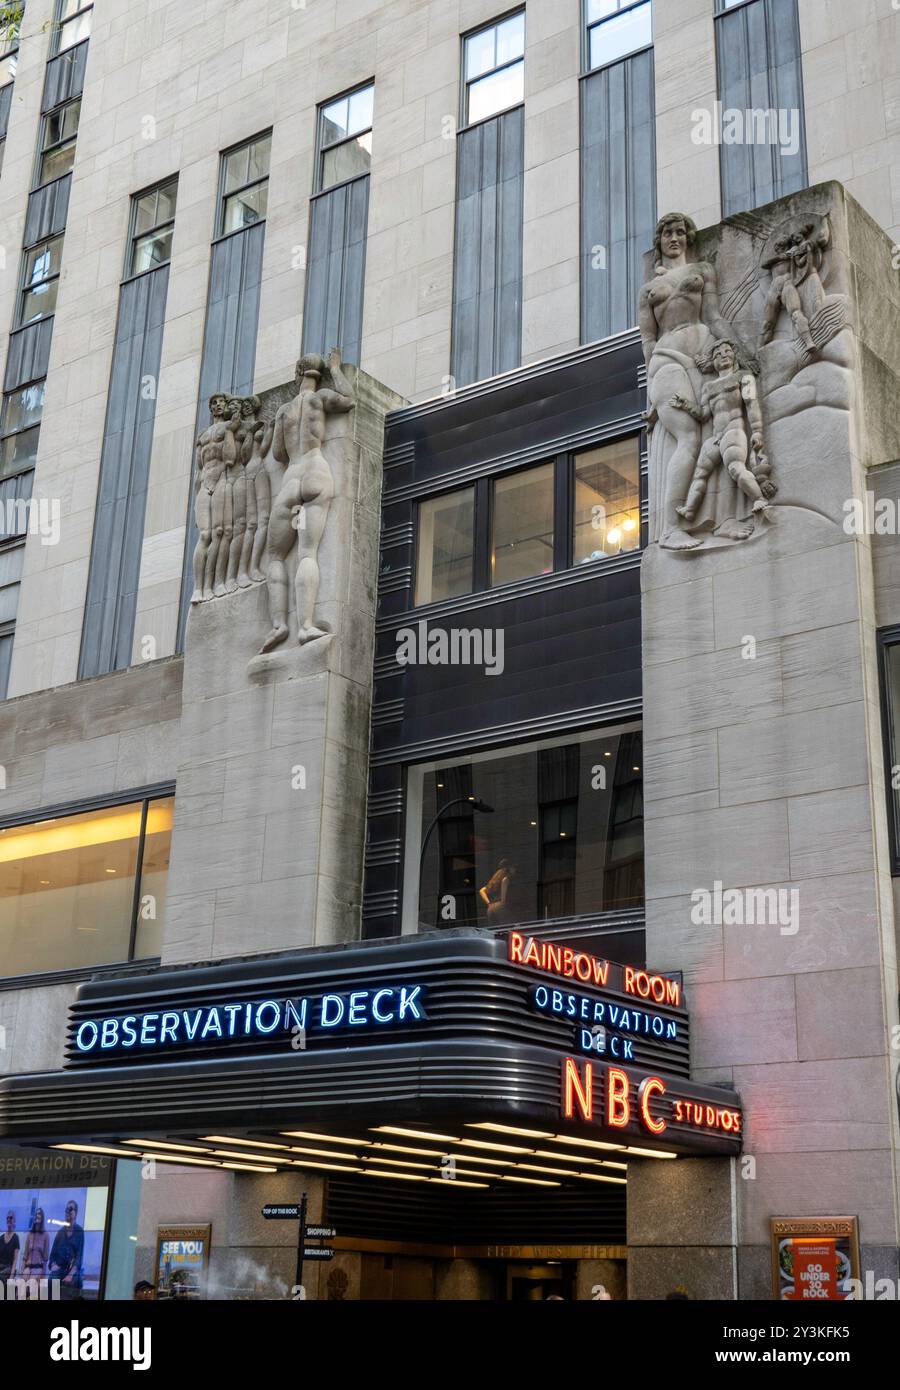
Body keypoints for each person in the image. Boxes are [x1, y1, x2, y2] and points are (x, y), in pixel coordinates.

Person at [261, 348, 356, 652]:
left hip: (292, 481)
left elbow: (278, 453)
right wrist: (337, 369)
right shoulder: (321, 398)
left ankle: (278, 624)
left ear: (297, 375)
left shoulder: (284, 411)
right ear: (317, 376)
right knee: (308, 553)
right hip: (316, 473)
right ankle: (305, 626)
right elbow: (349, 399)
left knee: (275, 555)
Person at [670, 339, 776, 528]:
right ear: (712, 361)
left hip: (733, 431)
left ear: (734, 355)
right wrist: (686, 405)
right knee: (700, 474)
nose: (723, 356)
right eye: (718, 354)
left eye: (727, 351)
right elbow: (703, 415)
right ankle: (690, 510)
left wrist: (757, 431)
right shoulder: (708, 387)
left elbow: (752, 404)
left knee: (735, 467)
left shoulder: (744, 377)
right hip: (715, 437)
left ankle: (759, 499)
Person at [48, 1199, 84, 1297]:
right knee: (51, 1279)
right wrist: (53, 1265)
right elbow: (52, 1256)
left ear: (75, 1213)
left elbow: (79, 1257)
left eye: (70, 1209)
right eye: (66, 1209)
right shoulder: (60, 1232)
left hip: (72, 1270)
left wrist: (70, 1274)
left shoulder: (80, 1232)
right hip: (60, 1268)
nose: (68, 1211)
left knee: (75, 1281)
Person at [479, 860, 516, 926]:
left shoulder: (495, 879)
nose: (514, 870)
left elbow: (481, 891)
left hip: (490, 908)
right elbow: (503, 897)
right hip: (500, 906)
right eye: (513, 867)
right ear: (508, 868)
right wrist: (503, 903)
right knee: (507, 928)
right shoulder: (505, 879)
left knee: (495, 930)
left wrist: (489, 903)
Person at [20, 1207, 49, 1280]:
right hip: (28, 1267)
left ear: (42, 1217)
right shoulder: (29, 1234)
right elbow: (25, 1255)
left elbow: (45, 1258)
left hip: (38, 1268)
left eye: (39, 1214)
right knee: (20, 1286)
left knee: (31, 1285)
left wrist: (43, 1274)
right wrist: (22, 1270)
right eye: (36, 1214)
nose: (37, 1215)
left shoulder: (46, 1235)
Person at [0, 1210, 19, 1285]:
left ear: (14, 1220)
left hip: (8, 1268)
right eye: (7, 1218)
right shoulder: (1, 1238)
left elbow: (15, 1260)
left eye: (10, 1217)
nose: (8, 1219)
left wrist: (11, 1276)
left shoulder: (15, 1238)